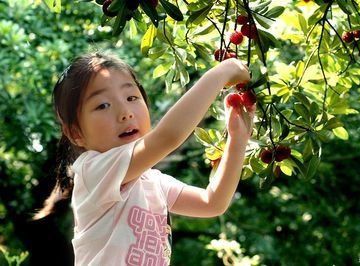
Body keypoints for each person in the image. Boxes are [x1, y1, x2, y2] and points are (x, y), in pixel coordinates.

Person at [36, 52, 254, 265]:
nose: (125, 112)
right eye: (103, 105)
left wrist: (238, 138)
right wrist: (224, 71)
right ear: (76, 133)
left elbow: (212, 202)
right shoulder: (93, 170)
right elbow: (167, 137)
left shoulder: (152, 181)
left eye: (131, 98)